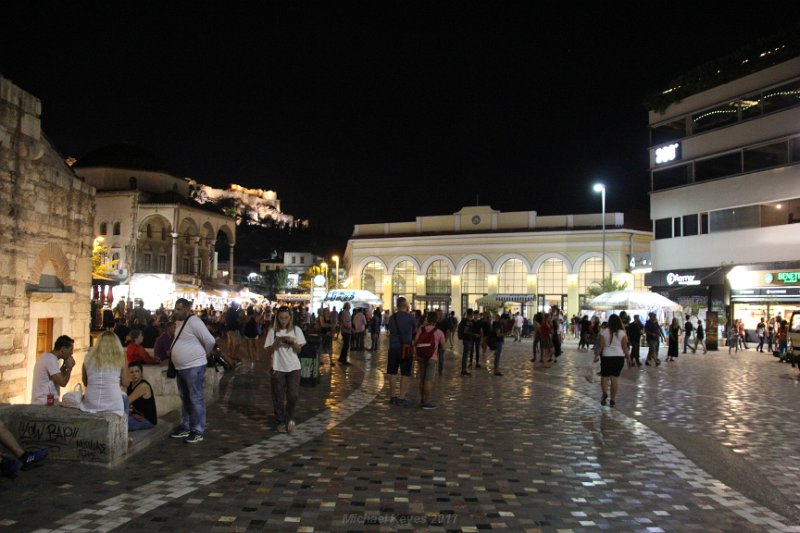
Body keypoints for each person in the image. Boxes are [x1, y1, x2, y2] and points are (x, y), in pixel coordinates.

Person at [170, 297, 216, 444]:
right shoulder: (179, 322)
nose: (176, 312)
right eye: (175, 309)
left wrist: (204, 353)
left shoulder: (194, 321)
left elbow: (210, 340)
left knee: (196, 398)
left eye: (179, 309)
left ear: (187, 309)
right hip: (181, 368)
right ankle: (186, 426)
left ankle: (197, 430)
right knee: (185, 399)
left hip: (194, 366)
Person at [264, 307, 306, 434]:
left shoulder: (296, 330)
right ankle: (281, 421)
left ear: (290, 317)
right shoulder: (273, 332)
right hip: (278, 367)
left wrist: (292, 342)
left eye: (286, 318)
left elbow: (299, 350)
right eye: (281, 318)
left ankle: (290, 418)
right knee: (278, 396)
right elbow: (268, 350)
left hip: (294, 367)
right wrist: (277, 342)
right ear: (277, 318)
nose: (283, 320)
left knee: (293, 395)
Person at [80, 331, 130, 416]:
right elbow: (126, 383)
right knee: (125, 398)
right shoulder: (121, 357)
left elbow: (85, 382)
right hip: (113, 404)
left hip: (90, 403)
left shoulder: (88, 357)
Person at [595, 313, 631, 407]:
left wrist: (596, 356)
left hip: (606, 356)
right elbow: (625, 347)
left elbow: (601, 346)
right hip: (619, 357)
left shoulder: (604, 331)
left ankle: (604, 392)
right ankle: (613, 400)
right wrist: (629, 358)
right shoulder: (622, 332)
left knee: (605, 377)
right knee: (614, 379)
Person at [387, 297, 416, 405]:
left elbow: (391, 330)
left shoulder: (391, 318)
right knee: (405, 373)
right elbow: (414, 331)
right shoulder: (410, 318)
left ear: (397, 306)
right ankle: (402, 397)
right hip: (406, 349)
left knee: (392, 373)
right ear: (406, 305)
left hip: (393, 348)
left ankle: (392, 397)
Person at [32, 335, 76, 404]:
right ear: (63, 349)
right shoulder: (51, 360)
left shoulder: (47, 357)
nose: (72, 353)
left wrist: (65, 365)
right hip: (44, 403)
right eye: (70, 349)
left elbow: (57, 377)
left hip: (44, 402)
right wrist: (69, 368)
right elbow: (62, 382)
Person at [414, 311, 444, 409]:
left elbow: (415, 342)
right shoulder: (439, 332)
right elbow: (443, 347)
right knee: (428, 380)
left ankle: (422, 399)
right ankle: (427, 402)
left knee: (422, 378)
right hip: (432, 357)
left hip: (421, 356)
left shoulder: (421, 329)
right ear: (436, 320)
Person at [126, 361, 157, 431]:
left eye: (137, 371)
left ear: (141, 373)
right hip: (135, 416)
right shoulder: (130, 385)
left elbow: (127, 401)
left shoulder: (143, 386)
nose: (134, 374)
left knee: (120, 424)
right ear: (128, 374)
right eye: (132, 372)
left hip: (147, 420)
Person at [457, 309, 477, 376]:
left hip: (467, 339)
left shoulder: (465, 320)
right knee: (465, 355)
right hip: (467, 339)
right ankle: (464, 370)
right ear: (471, 314)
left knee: (465, 354)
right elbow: (466, 331)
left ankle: (464, 369)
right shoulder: (467, 321)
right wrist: (474, 334)